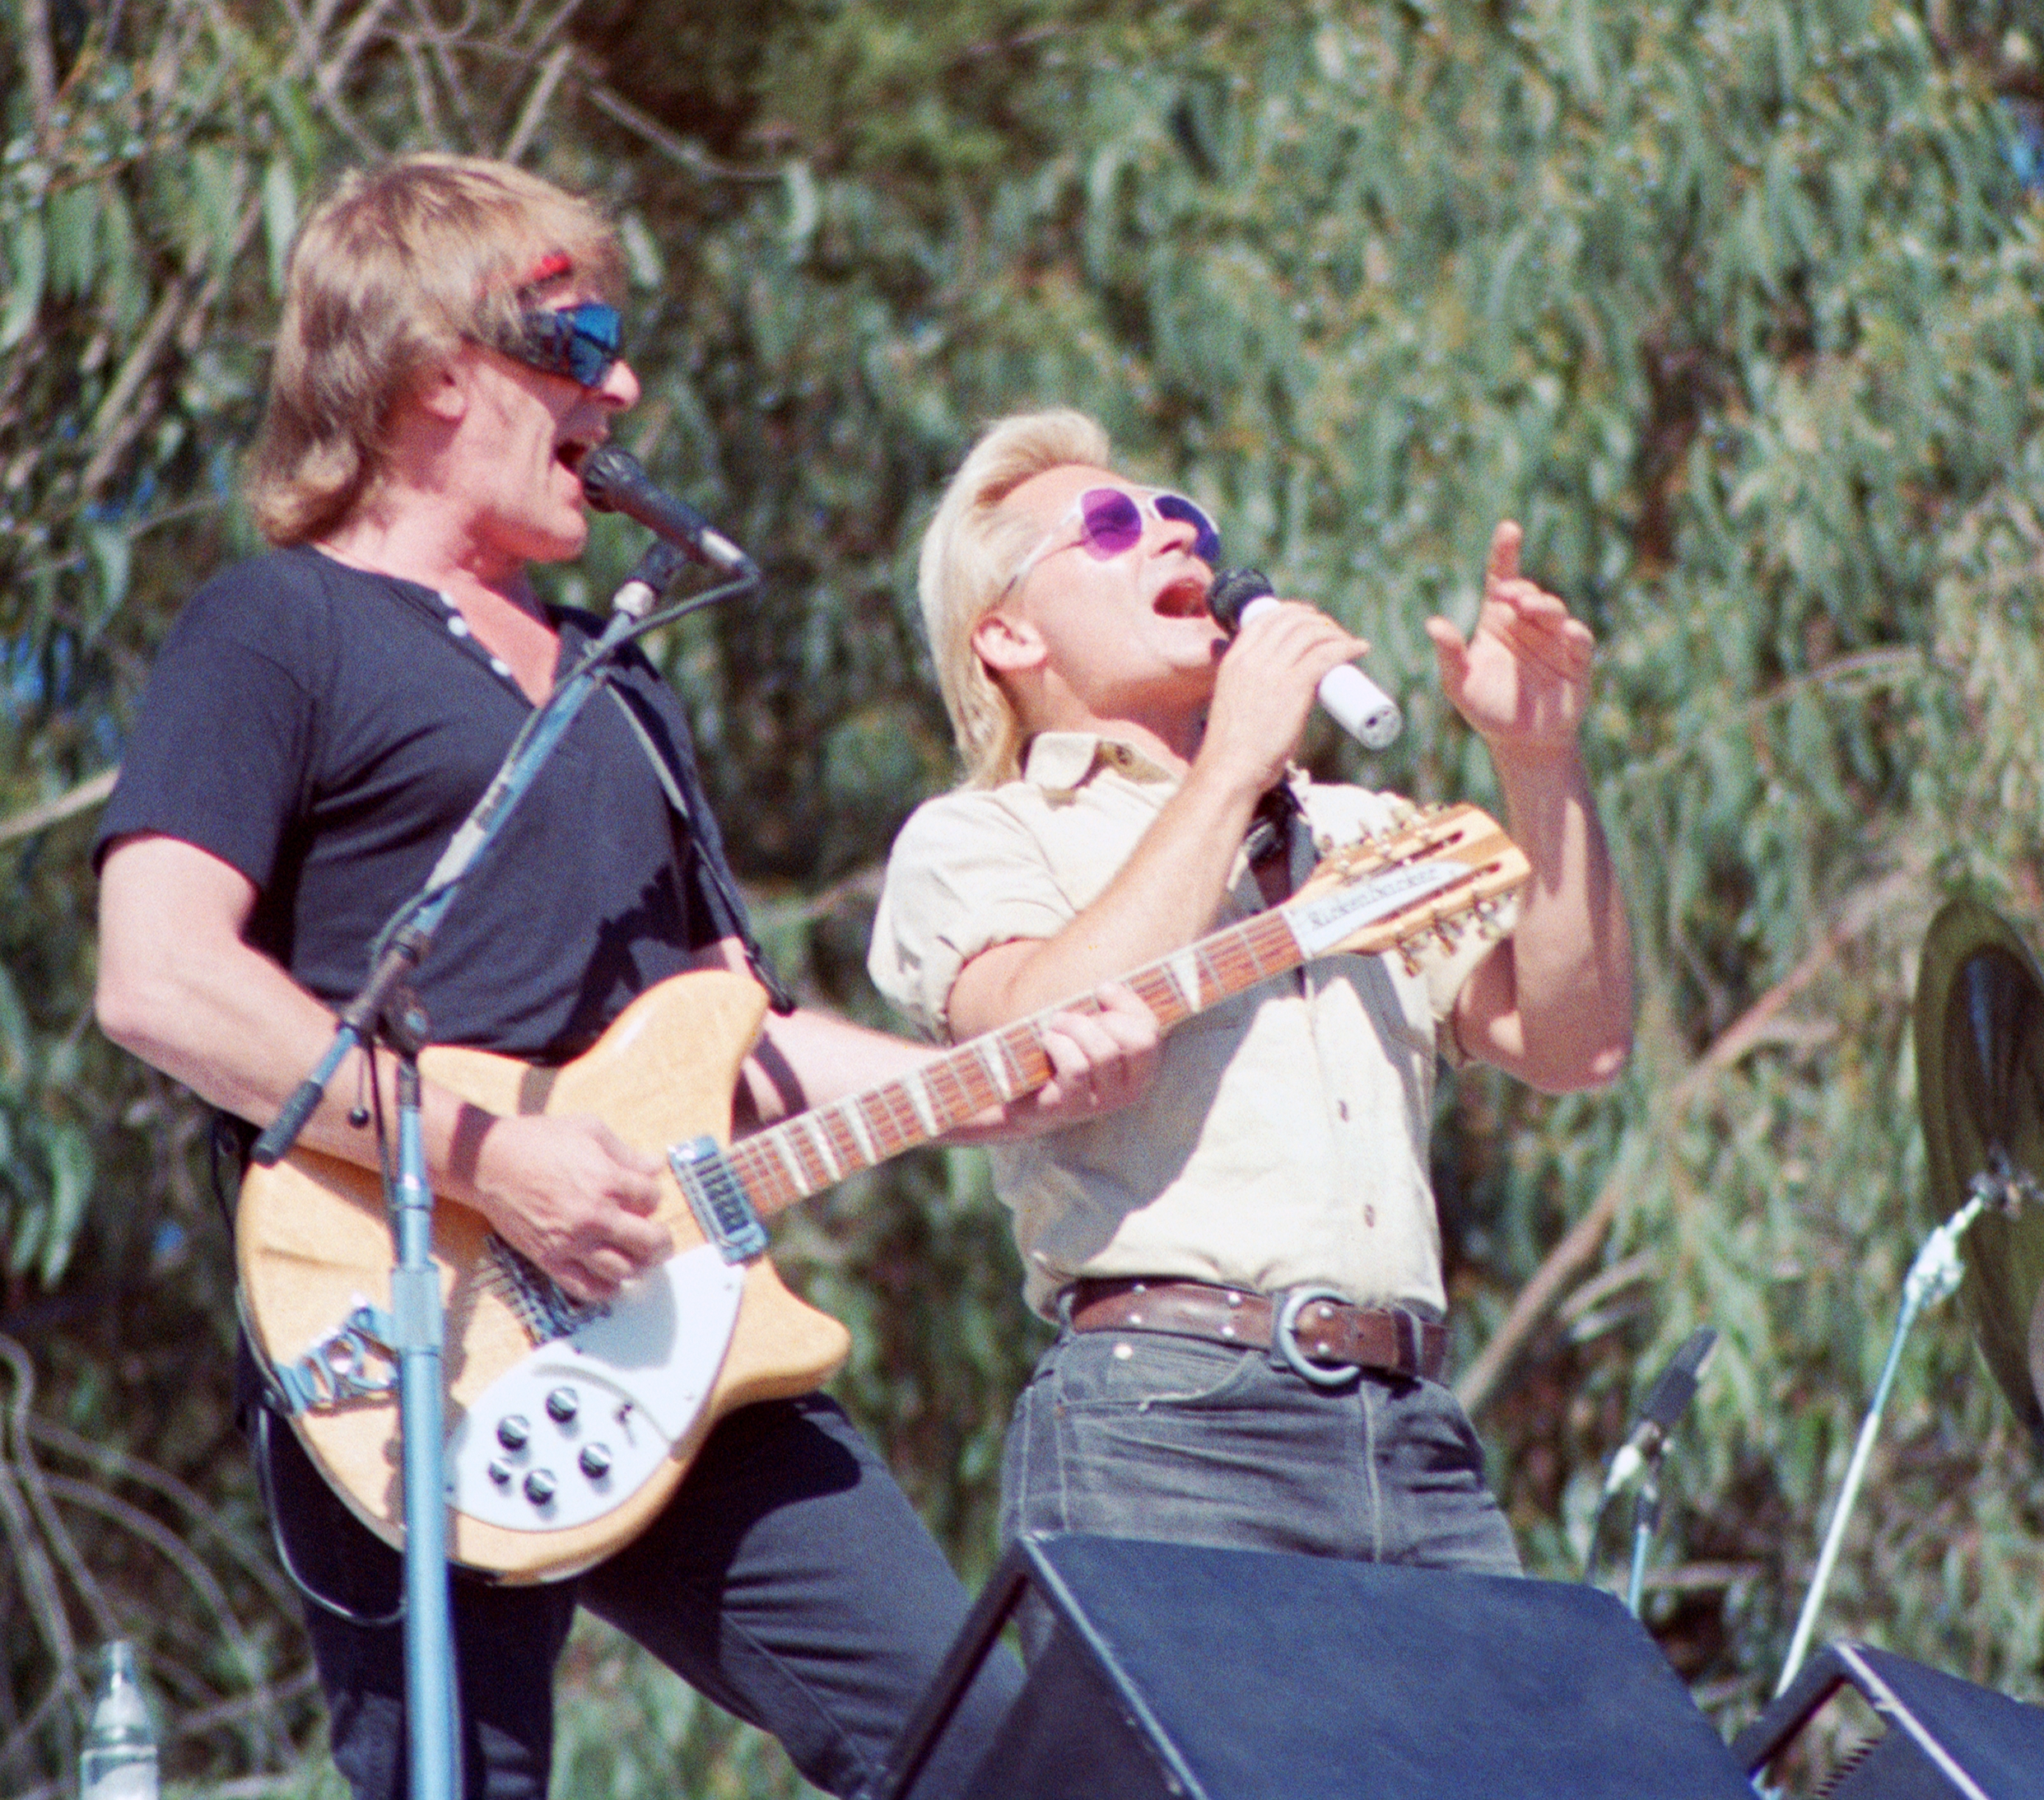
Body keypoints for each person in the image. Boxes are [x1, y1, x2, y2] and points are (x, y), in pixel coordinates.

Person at [91, 156, 1157, 1800]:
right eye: (582, 339)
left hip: (680, 1316)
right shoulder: (274, 626)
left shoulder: (620, 675)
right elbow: (159, 977)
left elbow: (744, 1039)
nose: (628, 385)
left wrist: (1002, 1077)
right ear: (443, 378)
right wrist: (487, 1156)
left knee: (992, 1758)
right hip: (408, 1322)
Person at [866, 408, 1633, 1573]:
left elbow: (1576, 1045)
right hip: (1166, 1426)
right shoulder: (978, 836)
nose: (1176, 535)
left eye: (1186, 516)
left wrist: (1539, 759)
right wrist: (1231, 761)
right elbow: (1037, 1035)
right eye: (1114, 526)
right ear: (1011, 637)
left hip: (1416, 1435)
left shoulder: (1358, 830)